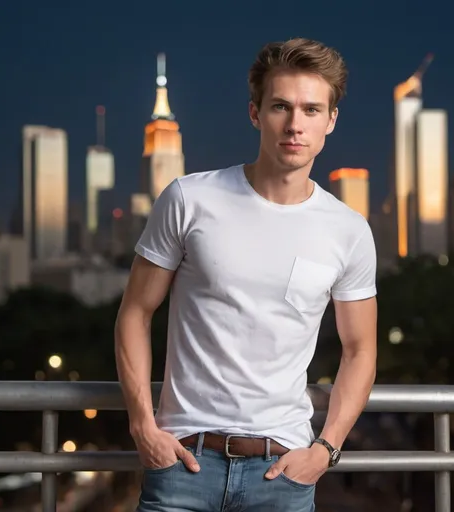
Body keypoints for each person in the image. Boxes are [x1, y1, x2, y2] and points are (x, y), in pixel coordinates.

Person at [115, 37, 378, 512]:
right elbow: (135, 311)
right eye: (281, 106)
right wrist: (142, 428)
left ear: (330, 121)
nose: (295, 125)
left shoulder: (349, 230)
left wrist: (326, 450)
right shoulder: (189, 199)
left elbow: (360, 349)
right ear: (256, 113)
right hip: (182, 464)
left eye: (312, 110)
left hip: (282, 474)